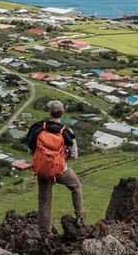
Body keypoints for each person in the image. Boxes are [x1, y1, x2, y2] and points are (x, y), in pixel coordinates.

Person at [27, 100, 85, 238]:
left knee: (44, 202)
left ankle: (45, 236)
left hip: (43, 172)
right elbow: (74, 154)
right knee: (76, 187)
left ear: (49, 112)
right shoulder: (67, 132)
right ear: (62, 113)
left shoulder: (38, 129)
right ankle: (80, 217)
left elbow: (30, 151)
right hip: (61, 170)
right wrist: (61, 159)